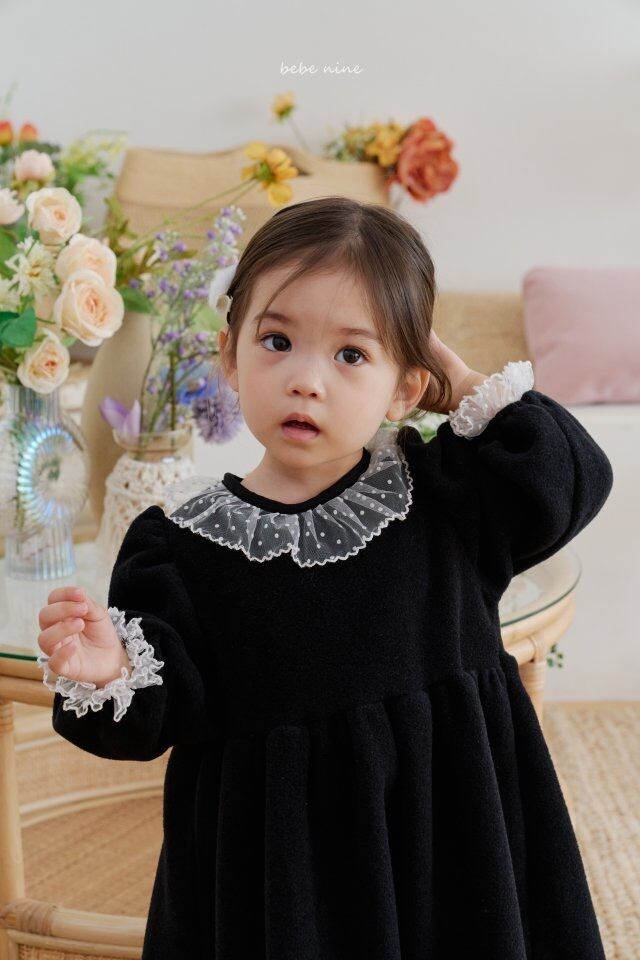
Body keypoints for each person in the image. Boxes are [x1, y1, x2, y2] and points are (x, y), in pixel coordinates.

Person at [36, 196, 613, 960]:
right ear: (229, 357)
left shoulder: (447, 494)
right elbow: (154, 714)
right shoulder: (179, 546)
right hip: (285, 884)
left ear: (406, 386)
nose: (307, 380)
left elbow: (571, 478)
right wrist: (111, 668)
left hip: (451, 846)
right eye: (277, 341)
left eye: (351, 355)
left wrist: (462, 379)